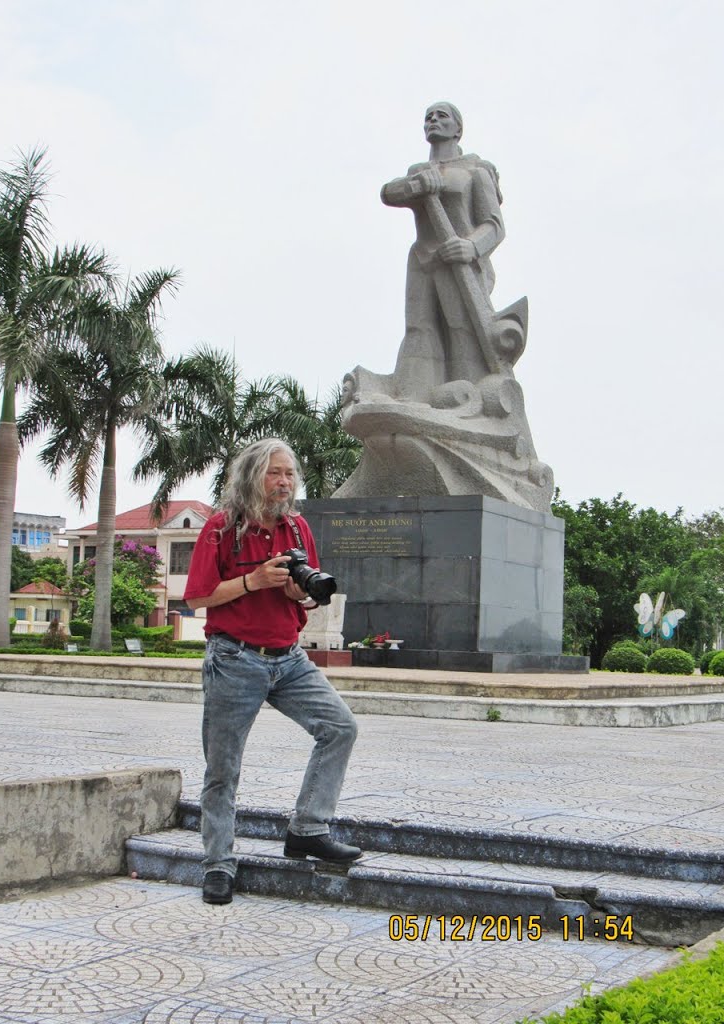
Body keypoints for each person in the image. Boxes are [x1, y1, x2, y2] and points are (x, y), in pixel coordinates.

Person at [184, 438, 361, 905]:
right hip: (233, 659)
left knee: (340, 727)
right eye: (273, 473)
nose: (284, 482)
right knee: (222, 769)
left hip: (289, 658)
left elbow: (306, 594)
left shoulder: (299, 530)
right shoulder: (221, 530)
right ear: (251, 477)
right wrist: (253, 581)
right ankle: (218, 864)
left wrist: (297, 595)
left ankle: (308, 828)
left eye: (289, 474)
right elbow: (198, 597)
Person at [379, 101, 506, 402]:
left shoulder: (475, 170)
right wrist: (417, 185)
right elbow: (388, 192)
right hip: (424, 258)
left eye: (441, 116)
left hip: (459, 261)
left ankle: (471, 400)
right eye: (428, 117)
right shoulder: (418, 172)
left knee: (460, 328)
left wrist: (470, 246)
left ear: (457, 129)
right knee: (419, 327)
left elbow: (494, 225)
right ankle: (414, 394)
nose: (432, 120)